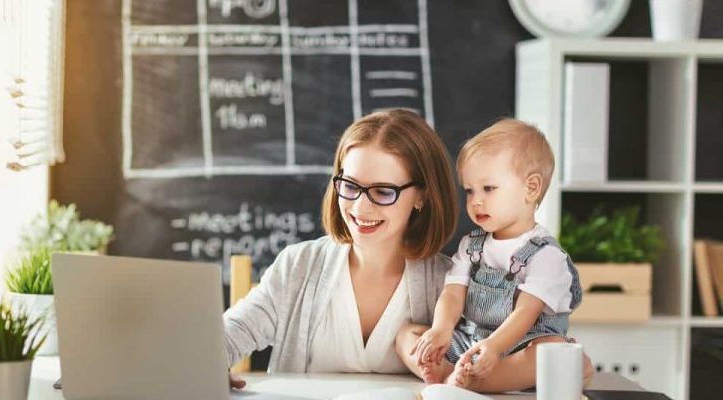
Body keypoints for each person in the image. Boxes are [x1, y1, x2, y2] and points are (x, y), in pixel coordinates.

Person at [224, 109, 458, 388]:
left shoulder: (451, 284)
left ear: (422, 196)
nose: (359, 207)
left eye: (383, 192)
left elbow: (477, 374)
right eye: (349, 185)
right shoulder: (299, 265)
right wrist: (208, 365)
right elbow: (229, 334)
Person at [395, 118, 592, 392]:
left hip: (519, 346)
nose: (476, 200)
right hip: (471, 341)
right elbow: (452, 294)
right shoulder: (471, 245)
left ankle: (475, 380)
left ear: (531, 188)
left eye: (488, 189)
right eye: (469, 190)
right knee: (407, 334)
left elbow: (525, 312)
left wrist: (494, 348)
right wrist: (440, 330)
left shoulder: (546, 256)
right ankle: (453, 372)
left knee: (553, 350)